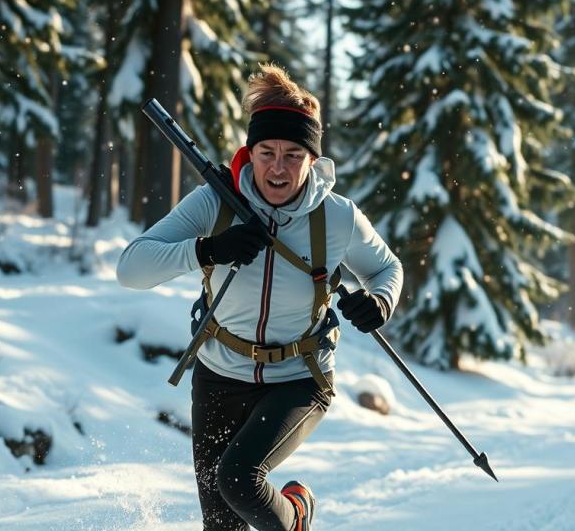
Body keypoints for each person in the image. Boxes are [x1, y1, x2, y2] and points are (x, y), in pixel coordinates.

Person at [116, 63, 404, 531]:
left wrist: (380, 302)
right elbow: (131, 268)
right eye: (266, 151)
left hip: (299, 376)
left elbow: (387, 269)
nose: (277, 166)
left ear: (313, 159)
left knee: (239, 479)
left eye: (293, 154)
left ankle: (295, 519)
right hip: (218, 372)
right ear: (249, 153)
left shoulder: (337, 218)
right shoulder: (214, 202)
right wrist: (208, 249)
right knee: (222, 524)